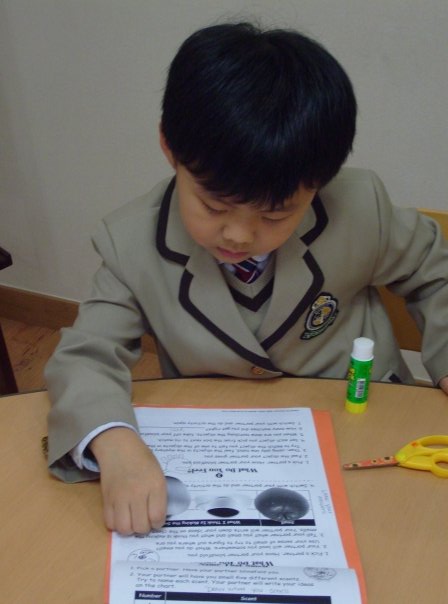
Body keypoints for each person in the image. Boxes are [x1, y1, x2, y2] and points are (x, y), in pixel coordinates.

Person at [45, 22, 448, 536]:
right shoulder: (130, 244)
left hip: (367, 429)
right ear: (170, 147)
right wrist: (115, 442)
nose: (239, 235)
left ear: (319, 183)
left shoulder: (361, 207)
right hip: (221, 449)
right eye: (214, 207)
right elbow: (86, 355)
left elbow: (437, 272)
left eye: (276, 215)